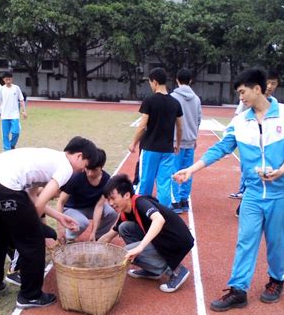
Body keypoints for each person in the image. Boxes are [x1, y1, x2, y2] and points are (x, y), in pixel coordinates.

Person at [174, 68, 284, 311]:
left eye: (243, 92)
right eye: (238, 94)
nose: (241, 98)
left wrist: (283, 169)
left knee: (277, 243)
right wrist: (191, 169)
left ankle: (276, 281)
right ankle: (238, 290)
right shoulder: (240, 121)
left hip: (283, 192)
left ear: (258, 88)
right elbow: (220, 148)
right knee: (245, 241)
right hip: (254, 194)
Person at [0, 136, 97, 309]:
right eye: (84, 166)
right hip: (4, 187)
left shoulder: (50, 159)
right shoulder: (66, 168)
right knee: (34, 240)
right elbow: (38, 205)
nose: (82, 171)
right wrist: (33, 229)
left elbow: (32, 197)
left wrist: (59, 217)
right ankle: (30, 296)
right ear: (78, 156)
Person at [98, 174, 194, 293]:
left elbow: (159, 219)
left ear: (127, 195)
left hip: (176, 241)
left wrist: (140, 247)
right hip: (162, 239)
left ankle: (177, 270)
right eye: (108, 200)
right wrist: (93, 250)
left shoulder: (141, 203)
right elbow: (108, 236)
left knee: (126, 252)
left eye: (113, 198)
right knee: (124, 227)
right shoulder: (126, 211)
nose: (111, 203)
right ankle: (152, 270)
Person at [229, 69, 281, 218]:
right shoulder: (246, 102)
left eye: (274, 83)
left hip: (272, 163)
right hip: (251, 148)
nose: (270, 86)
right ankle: (245, 202)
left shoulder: (281, 109)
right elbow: (238, 121)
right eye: (269, 82)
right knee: (251, 178)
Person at [129, 67, 183, 207]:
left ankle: (140, 210)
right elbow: (180, 126)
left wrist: (134, 143)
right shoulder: (175, 103)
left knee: (145, 181)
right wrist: (177, 143)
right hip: (167, 149)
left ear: (155, 82)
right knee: (164, 183)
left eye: (150, 83)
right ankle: (164, 213)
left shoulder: (150, 101)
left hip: (150, 148)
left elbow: (142, 126)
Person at [56, 148, 118, 242]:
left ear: (102, 167)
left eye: (94, 170)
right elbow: (61, 201)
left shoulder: (107, 180)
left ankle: (98, 238)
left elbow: (99, 206)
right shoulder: (76, 176)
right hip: (71, 208)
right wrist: (60, 227)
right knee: (82, 222)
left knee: (112, 213)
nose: (89, 173)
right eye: (88, 169)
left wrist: (93, 232)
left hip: (91, 207)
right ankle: (69, 238)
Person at [170, 68, 202, 213]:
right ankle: (184, 200)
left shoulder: (173, 97)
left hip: (176, 141)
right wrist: (195, 136)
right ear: (190, 81)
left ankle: (175, 202)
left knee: (174, 171)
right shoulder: (196, 99)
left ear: (177, 80)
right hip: (190, 140)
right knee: (188, 171)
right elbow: (198, 119)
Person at [0, 71, 27, 150]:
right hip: (5, 116)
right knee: (5, 135)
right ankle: (7, 151)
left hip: (14, 115)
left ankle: (12, 145)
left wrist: (24, 111)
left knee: (16, 132)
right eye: (6, 80)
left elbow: (21, 100)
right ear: (3, 80)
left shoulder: (16, 88)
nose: (8, 81)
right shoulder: (1, 89)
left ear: (12, 79)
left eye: (9, 79)